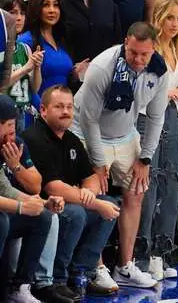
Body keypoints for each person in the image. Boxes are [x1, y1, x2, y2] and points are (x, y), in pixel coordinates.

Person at [70, 22, 169, 287]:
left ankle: (125, 266)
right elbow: (89, 120)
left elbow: (157, 117)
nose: (137, 59)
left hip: (125, 133)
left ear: (153, 50)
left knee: (136, 191)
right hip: (87, 131)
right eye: (133, 52)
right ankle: (96, 266)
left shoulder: (159, 71)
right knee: (95, 195)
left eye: (144, 54)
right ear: (126, 42)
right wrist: (99, 163)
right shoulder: (103, 68)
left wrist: (145, 158)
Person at [22, 86, 121, 298]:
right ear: (43, 110)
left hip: (71, 201)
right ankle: (57, 280)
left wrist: (90, 193)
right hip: (43, 205)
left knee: (110, 203)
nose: (66, 111)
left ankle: (81, 273)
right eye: (59, 106)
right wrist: (93, 203)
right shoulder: (34, 138)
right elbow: (52, 187)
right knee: (77, 213)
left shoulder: (71, 139)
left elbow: (91, 177)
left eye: (69, 107)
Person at [137, 0, 178, 281]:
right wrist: (171, 92)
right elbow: (141, 89)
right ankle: (143, 254)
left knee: (170, 181)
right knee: (150, 184)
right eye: (169, 18)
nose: (175, 23)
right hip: (148, 119)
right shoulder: (150, 49)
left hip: (172, 117)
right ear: (158, 19)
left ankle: (162, 250)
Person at [0, 95, 62, 303]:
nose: (12, 130)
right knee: (2, 221)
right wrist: (22, 208)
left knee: (43, 217)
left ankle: (21, 286)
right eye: (8, 125)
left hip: (7, 208)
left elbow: (7, 189)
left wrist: (43, 203)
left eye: (14, 125)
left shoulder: (11, 143)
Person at [60, 0, 122, 92]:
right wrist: (71, 70)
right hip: (69, 87)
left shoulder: (108, 4)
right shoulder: (58, 3)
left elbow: (117, 44)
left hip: (106, 84)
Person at [18, 0, 79, 96]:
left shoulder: (63, 40)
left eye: (56, 5)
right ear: (36, 8)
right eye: (46, 5)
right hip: (39, 110)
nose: (52, 10)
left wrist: (75, 72)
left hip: (62, 108)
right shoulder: (26, 41)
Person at [0, 0, 43, 133]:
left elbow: (35, 88)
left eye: (22, 13)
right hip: (4, 116)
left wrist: (36, 67)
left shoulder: (24, 48)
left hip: (24, 114)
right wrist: (26, 68)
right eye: (12, 12)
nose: (18, 18)